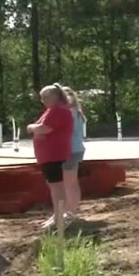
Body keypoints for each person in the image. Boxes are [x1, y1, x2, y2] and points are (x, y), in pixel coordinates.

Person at [28, 83, 73, 231]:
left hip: (54, 154)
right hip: (49, 155)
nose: (43, 101)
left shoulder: (58, 111)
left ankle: (60, 216)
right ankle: (57, 214)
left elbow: (44, 128)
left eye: (45, 97)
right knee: (54, 186)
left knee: (56, 187)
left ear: (54, 96)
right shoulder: (52, 110)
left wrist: (31, 127)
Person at [50, 86, 85, 227]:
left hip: (71, 150)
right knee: (70, 183)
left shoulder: (70, 113)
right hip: (73, 150)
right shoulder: (76, 112)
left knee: (70, 184)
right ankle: (67, 212)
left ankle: (70, 213)